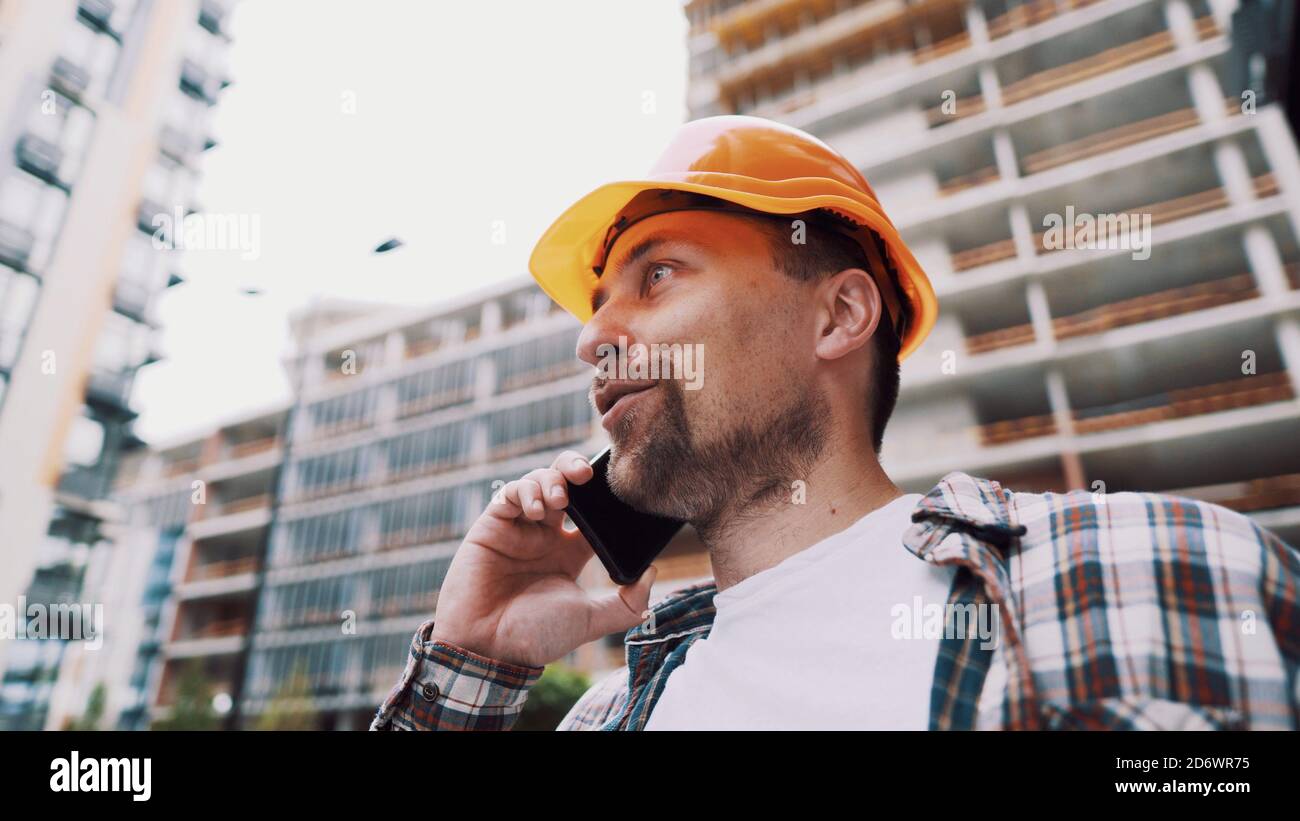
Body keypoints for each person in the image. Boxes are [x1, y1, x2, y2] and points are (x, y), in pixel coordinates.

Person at [371, 115, 1298, 731]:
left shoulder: (1156, 570)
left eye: (658, 275)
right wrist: (471, 662)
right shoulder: (610, 715)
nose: (592, 338)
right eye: (599, 301)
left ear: (839, 316)